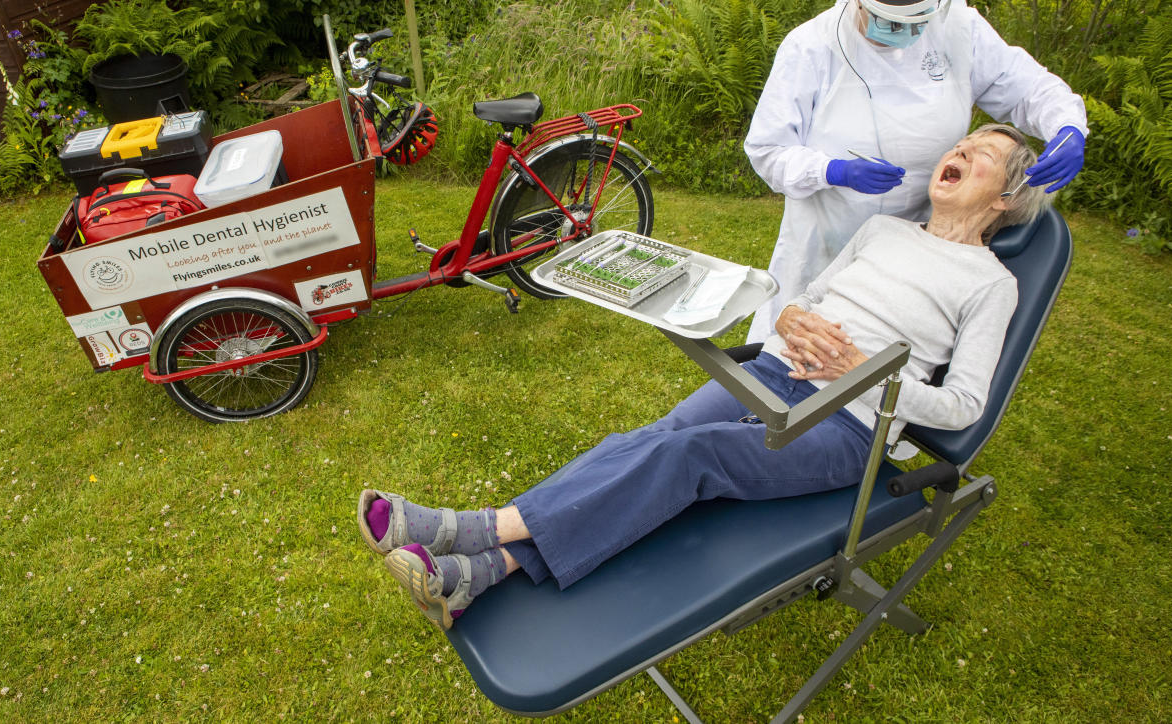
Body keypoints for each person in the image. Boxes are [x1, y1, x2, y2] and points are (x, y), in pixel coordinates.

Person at [358, 124, 1048, 632]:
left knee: (688, 455)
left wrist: (859, 369)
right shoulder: (885, 232)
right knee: (650, 438)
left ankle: (471, 529)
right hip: (776, 372)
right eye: (960, 142)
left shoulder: (991, 284)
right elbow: (804, 300)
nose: (957, 151)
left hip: (848, 427)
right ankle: (476, 576)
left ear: (1009, 196)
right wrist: (795, 321)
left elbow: (962, 405)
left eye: (981, 153)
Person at [742, 0, 1087, 345]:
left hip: (923, 241)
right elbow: (768, 151)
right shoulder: (811, 47)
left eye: (914, 21)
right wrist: (833, 170)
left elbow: (1026, 87)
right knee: (791, 347)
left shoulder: (959, 27)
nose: (899, 31)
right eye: (885, 20)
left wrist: (1068, 127)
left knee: (878, 354)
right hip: (827, 236)